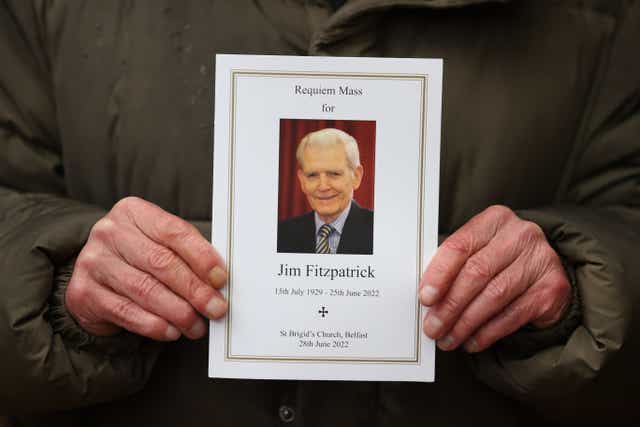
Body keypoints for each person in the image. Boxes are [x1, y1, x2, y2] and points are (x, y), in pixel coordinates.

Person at [0, 1, 638, 426]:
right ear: (297, 180)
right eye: (313, 174)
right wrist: (62, 284)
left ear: (360, 176)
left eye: (339, 173)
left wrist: (575, 291)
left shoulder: (600, 19)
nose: (326, 186)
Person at [278, 128, 374, 255]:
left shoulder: (379, 231)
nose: (323, 187)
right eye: (312, 175)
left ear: (356, 176)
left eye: (334, 174)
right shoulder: (282, 234)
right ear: (302, 180)